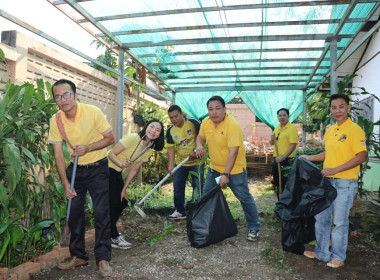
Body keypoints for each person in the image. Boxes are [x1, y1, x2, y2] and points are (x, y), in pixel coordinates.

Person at [47, 79, 116, 277]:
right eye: (58, 96)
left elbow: (110, 138)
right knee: (75, 212)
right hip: (75, 171)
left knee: (102, 213)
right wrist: (66, 183)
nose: (62, 99)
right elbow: (58, 154)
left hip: (98, 169)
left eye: (66, 94)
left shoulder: (92, 111)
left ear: (76, 95)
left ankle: (103, 259)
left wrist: (88, 148)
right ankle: (78, 256)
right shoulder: (56, 120)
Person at [299, 93, 366, 268]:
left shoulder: (355, 130)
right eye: (334, 107)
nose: (338, 111)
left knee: (339, 221)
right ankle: (322, 252)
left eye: (341, 106)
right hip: (327, 182)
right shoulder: (330, 130)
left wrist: (335, 170)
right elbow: (328, 154)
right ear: (330, 110)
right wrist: (308, 157)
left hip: (344, 183)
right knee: (321, 218)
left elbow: (361, 157)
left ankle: (338, 256)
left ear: (348, 108)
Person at [195, 96, 261, 241]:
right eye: (211, 109)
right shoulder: (206, 122)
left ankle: (254, 227)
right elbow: (200, 137)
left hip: (234, 170)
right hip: (214, 169)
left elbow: (234, 152)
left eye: (218, 108)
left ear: (225, 109)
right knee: (207, 196)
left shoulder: (232, 126)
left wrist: (226, 174)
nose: (214, 112)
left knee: (244, 198)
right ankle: (207, 226)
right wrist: (199, 145)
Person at [108, 119, 165, 248]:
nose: (153, 131)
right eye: (152, 127)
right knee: (115, 203)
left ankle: (110, 234)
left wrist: (124, 188)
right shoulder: (133, 138)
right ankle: (112, 236)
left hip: (116, 172)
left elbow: (134, 168)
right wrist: (121, 164)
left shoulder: (149, 149)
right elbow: (111, 154)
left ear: (159, 135)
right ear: (146, 127)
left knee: (122, 201)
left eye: (157, 130)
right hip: (106, 169)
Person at [166, 105, 204, 220]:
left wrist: (196, 149)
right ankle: (180, 211)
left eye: (176, 116)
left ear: (182, 114)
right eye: (171, 117)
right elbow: (170, 149)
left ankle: (200, 211)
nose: (174, 119)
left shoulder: (193, 122)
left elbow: (203, 136)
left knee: (199, 187)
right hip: (181, 164)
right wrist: (171, 165)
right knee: (178, 187)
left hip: (197, 162)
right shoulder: (170, 130)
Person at [270, 108, 298, 200]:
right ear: (277, 117)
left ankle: (288, 205)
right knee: (278, 183)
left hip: (287, 160)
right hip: (276, 159)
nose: (282, 117)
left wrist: (283, 157)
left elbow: (293, 145)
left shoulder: (292, 129)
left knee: (287, 183)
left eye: (284, 115)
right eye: (280, 115)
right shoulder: (277, 128)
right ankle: (280, 204)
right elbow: (272, 143)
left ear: (288, 116)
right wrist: (271, 139)